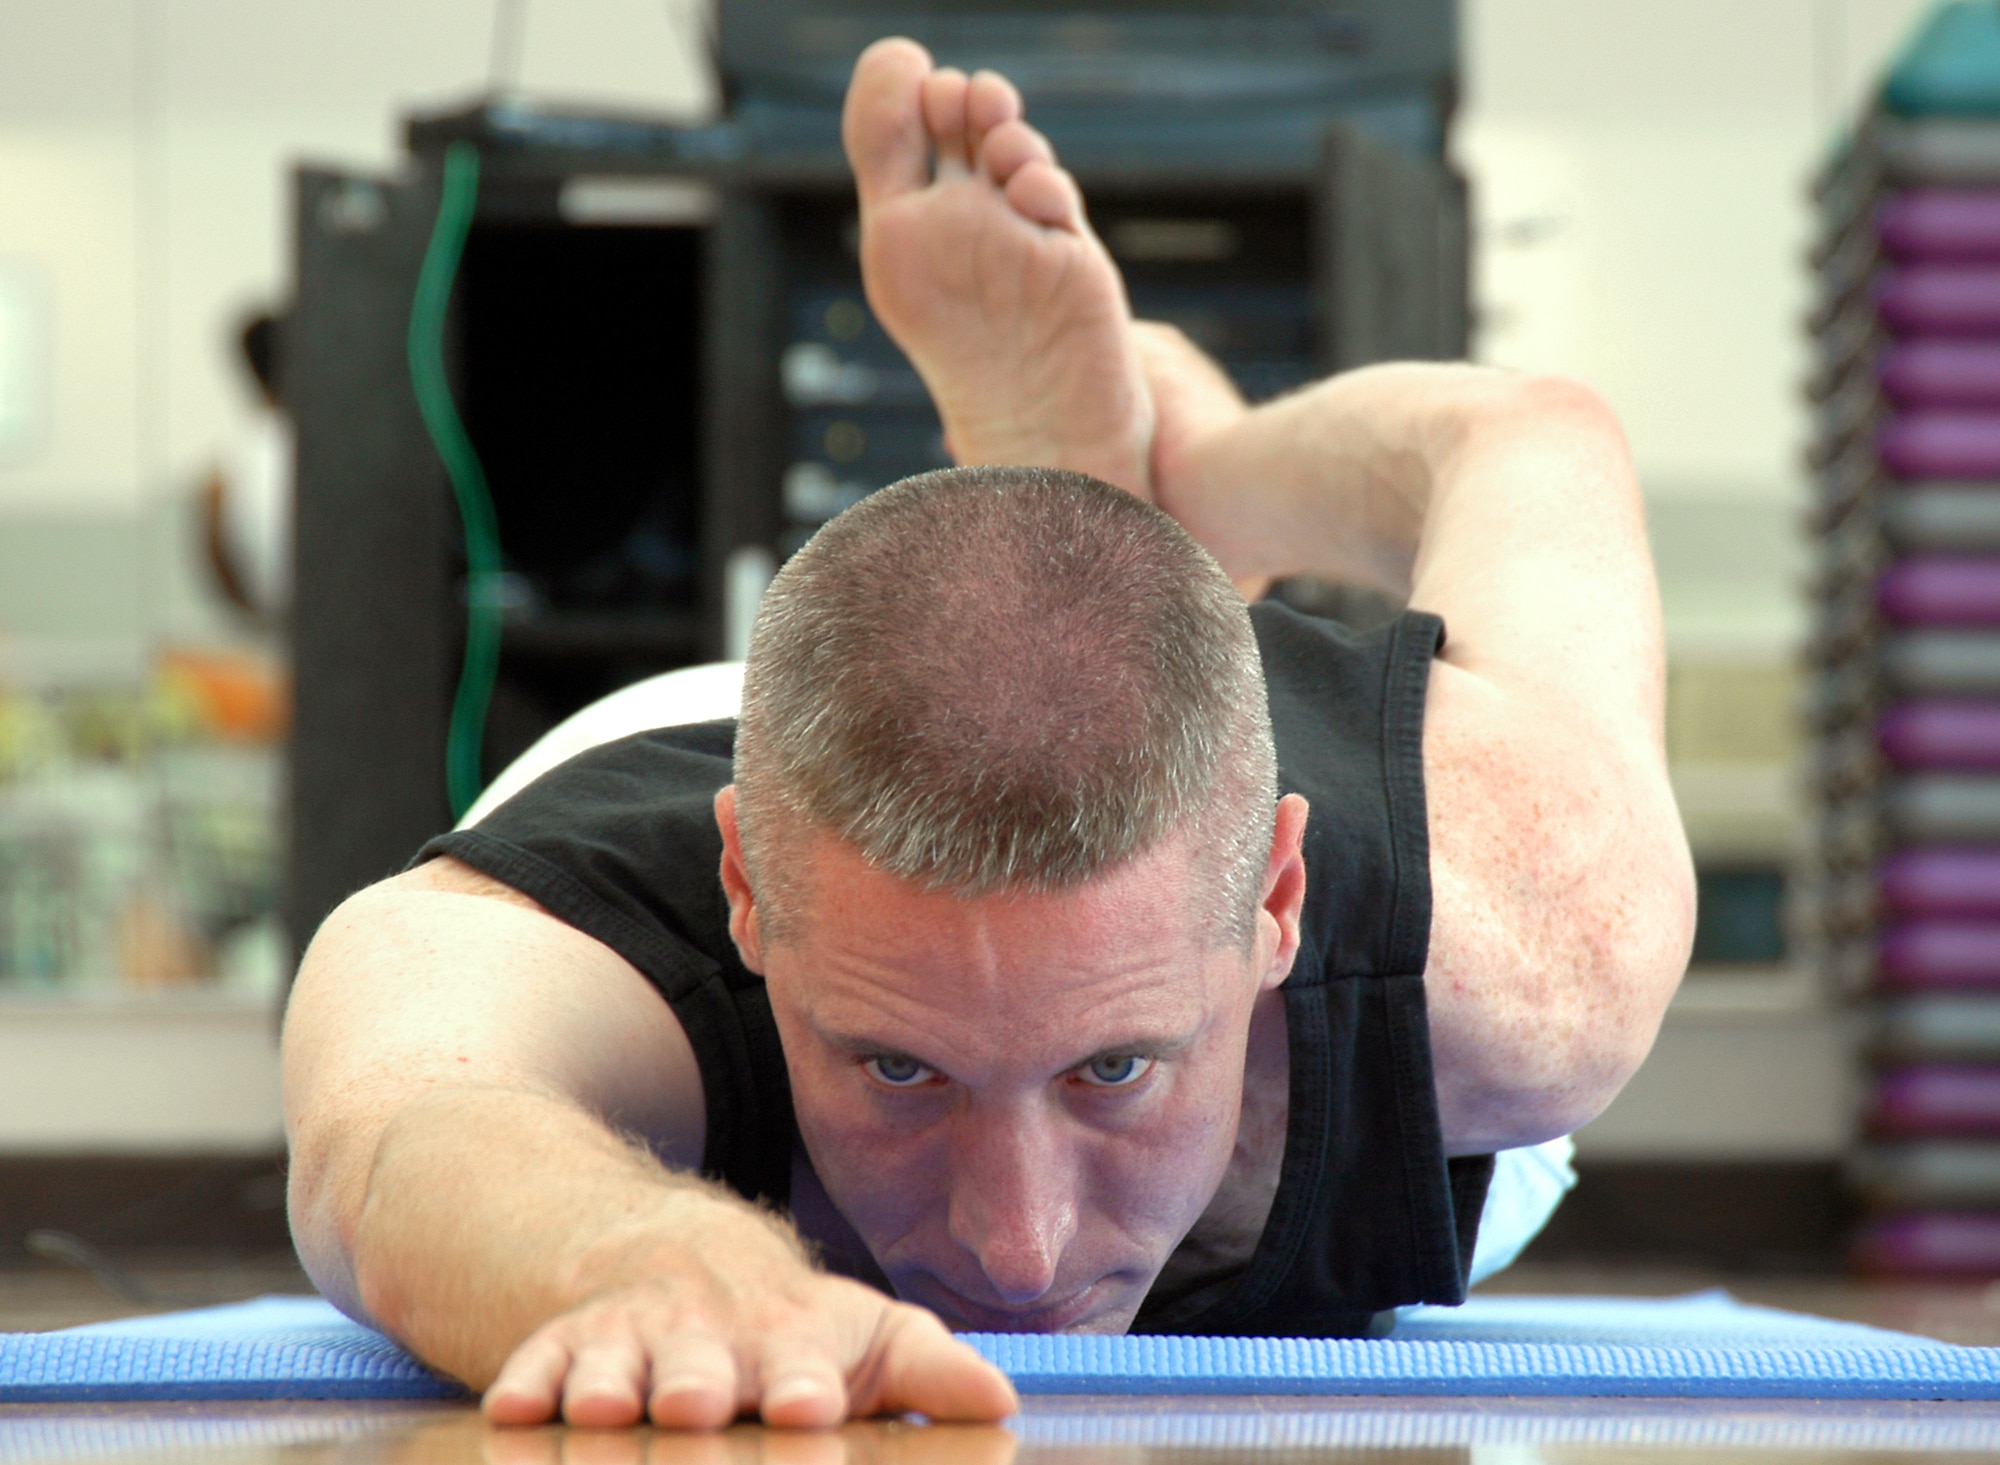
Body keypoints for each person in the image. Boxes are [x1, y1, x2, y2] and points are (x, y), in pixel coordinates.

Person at [280, 38, 1693, 1431]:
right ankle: (1077, 502)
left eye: (1116, 1068)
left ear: (1277, 901)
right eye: (900, 1069)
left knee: (1520, 1059)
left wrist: (1224, 470)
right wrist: (642, 1264)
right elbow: (400, 1136)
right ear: (744, 893)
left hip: (1274, 800)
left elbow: (1527, 436)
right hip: (703, 736)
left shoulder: (1535, 916)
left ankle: (1157, 503)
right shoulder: (559, 938)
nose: (1016, 1249)